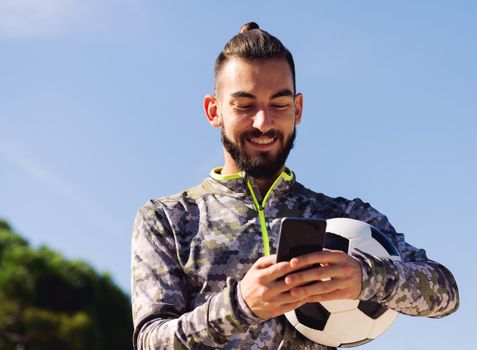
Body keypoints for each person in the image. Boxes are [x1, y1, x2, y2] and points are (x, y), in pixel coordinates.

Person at [131, 22, 459, 350]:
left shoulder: (341, 216)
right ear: (213, 111)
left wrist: (365, 277)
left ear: (297, 109)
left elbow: (445, 293)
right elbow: (149, 342)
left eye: (279, 104)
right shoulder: (167, 219)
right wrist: (240, 306)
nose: (263, 122)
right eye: (245, 105)